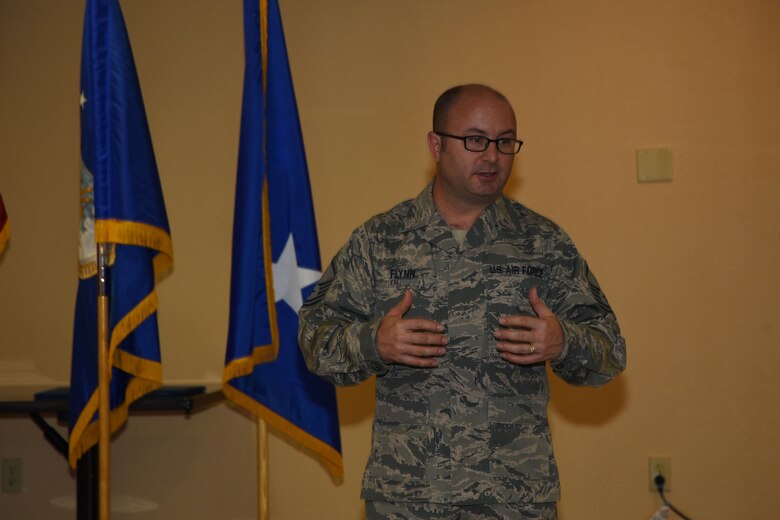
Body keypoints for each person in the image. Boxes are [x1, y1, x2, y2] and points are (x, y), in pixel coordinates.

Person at [298, 84, 626, 519]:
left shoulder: (543, 243)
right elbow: (313, 338)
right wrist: (371, 342)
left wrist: (564, 340)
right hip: (407, 497)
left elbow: (611, 353)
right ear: (436, 144)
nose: (491, 155)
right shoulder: (379, 241)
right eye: (475, 140)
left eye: (505, 141)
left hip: (513, 499)